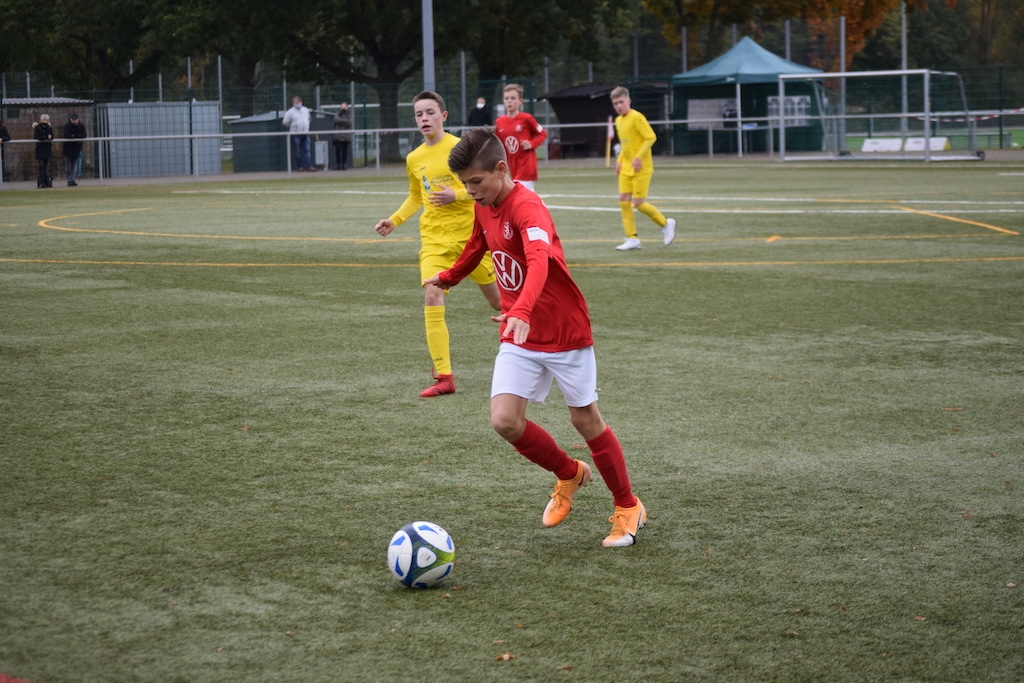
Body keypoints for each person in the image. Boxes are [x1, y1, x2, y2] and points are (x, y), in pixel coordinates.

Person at [424, 128, 647, 548]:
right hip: (518, 331)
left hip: (562, 329)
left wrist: (523, 310)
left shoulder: (528, 208)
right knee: (505, 421)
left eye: (476, 181)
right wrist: (449, 277)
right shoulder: (484, 204)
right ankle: (569, 473)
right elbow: (477, 244)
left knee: (585, 419)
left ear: (501, 169)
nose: (470, 191)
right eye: (465, 184)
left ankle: (628, 505)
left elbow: (539, 259)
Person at [373, 91, 501, 397]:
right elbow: (416, 195)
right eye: (419, 114)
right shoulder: (414, 158)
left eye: (430, 112)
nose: (424, 119)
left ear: (443, 116)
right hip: (434, 241)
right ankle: (444, 377)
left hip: (472, 240)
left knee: (500, 303)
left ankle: (539, 347)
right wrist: (395, 220)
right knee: (432, 294)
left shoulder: (461, 148)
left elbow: (483, 185)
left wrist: (455, 194)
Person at [610, 86, 676, 250]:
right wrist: (619, 160)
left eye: (621, 102)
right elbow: (626, 144)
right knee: (624, 201)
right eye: (616, 103)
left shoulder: (637, 117)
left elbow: (650, 137)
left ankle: (666, 223)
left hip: (641, 167)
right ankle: (632, 238)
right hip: (626, 167)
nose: (619, 106)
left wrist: (639, 157)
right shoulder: (618, 121)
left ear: (629, 101)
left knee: (639, 203)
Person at [493, 84, 547, 191]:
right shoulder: (499, 122)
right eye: (506, 98)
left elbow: (542, 134)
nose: (509, 101)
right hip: (513, 167)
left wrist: (531, 143)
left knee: (517, 193)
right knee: (527, 197)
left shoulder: (526, 118)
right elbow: (500, 146)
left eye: (513, 98)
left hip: (527, 166)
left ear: (520, 101)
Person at [282, 96, 315, 171]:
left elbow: (309, 119)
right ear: (293, 103)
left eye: (298, 102)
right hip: (296, 134)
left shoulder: (305, 110)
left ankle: (309, 166)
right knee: (298, 151)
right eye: (295, 102)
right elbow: (285, 122)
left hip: (305, 133)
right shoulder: (290, 112)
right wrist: (293, 127)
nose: (297, 103)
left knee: (307, 150)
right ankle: (300, 167)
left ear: (301, 102)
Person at [62, 113, 87, 187]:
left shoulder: (81, 126)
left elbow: (84, 135)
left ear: (78, 119)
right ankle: (70, 179)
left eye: (76, 119)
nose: (74, 121)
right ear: (71, 119)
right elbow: (67, 135)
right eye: (73, 119)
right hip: (68, 149)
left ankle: (71, 179)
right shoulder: (67, 126)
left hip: (77, 148)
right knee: (69, 166)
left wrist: (74, 135)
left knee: (74, 165)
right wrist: (76, 136)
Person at [33, 114, 54, 188]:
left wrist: (50, 137)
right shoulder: (38, 128)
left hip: (47, 149)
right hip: (40, 149)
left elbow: (52, 136)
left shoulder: (49, 127)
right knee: (41, 166)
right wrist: (46, 137)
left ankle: (44, 182)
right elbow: (36, 137)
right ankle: (41, 182)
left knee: (44, 167)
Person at [332, 103, 353, 170]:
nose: (343, 109)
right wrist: (345, 121)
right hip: (338, 135)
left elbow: (349, 123)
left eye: (345, 107)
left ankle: (344, 164)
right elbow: (336, 120)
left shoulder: (350, 114)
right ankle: (338, 165)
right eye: (342, 107)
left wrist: (341, 122)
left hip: (346, 136)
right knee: (338, 150)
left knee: (345, 150)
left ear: (347, 107)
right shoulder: (337, 113)